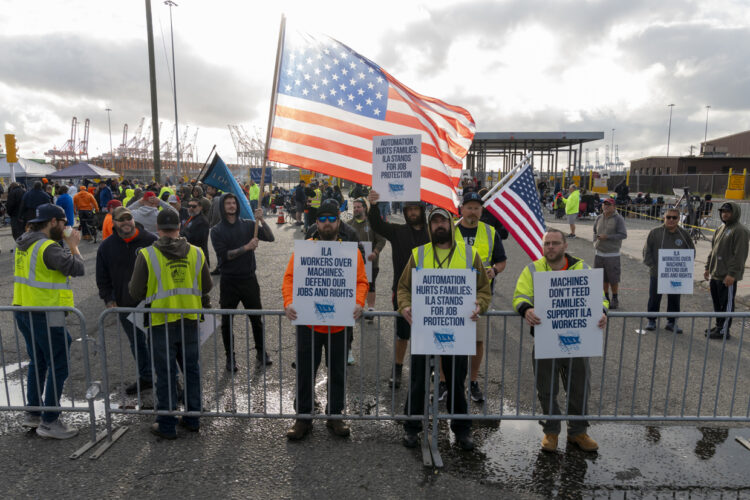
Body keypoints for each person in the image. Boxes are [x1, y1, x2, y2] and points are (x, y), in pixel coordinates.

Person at [397, 207, 491, 451]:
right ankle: (412, 427)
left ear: (450, 224)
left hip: (457, 329)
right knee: (418, 380)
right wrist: (405, 306)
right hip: (424, 328)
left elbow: (483, 289)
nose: (439, 225)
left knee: (457, 381)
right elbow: (403, 288)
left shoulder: (471, 255)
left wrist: (479, 304)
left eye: (443, 221)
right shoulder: (418, 254)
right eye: (435, 221)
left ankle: (461, 430)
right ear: (430, 227)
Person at [513, 228, 607, 453]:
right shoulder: (533, 268)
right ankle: (551, 432)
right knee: (546, 388)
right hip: (546, 340)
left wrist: (602, 311)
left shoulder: (581, 268)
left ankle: (578, 432)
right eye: (547, 244)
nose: (551, 247)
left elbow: (599, 297)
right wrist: (526, 309)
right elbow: (520, 295)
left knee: (579, 388)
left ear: (565, 246)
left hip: (579, 340)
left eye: (555, 243)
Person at [282, 201, 368, 440]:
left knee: (338, 371)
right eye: (323, 220)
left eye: (332, 219)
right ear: (316, 223)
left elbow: (362, 281)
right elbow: (289, 279)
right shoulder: (304, 249)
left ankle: (335, 415)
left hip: (339, 324)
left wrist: (360, 302)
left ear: (338, 223)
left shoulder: (349, 250)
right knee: (305, 371)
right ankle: (303, 417)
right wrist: (288, 302)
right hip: (308, 323)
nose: (327, 223)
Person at [128, 209, 212, 439]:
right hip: (190, 319)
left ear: (158, 229)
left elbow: (135, 292)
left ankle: (166, 423)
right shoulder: (196, 252)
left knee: (165, 373)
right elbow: (207, 286)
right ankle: (193, 418)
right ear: (179, 227)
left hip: (161, 321)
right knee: (191, 370)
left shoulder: (147, 254)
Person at [13, 204, 84, 438]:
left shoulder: (24, 241)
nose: (66, 227)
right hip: (46, 312)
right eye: (64, 223)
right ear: (53, 222)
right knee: (59, 361)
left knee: (39, 361)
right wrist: (74, 246)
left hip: (23, 308)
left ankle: (33, 413)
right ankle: (50, 421)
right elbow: (78, 268)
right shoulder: (47, 246)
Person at [367, 189, 430, 389]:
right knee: (402, 334)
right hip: (403, 291)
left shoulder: (433, 232)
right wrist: (374, 205)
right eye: (409, 209)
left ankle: (431, 369)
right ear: (404, 211)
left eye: (415, 209)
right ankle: (397, 367)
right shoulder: (398, 232)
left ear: (422, 210)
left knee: (428, 333)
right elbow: (377, 224)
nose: (412, 213)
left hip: (430, 291)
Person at [96, 206, 159, 394]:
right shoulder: (106, 247)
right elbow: (102, 277)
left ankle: (172, 382)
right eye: (121, 219)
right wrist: (108, 299)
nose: (126, 222)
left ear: (134, 219)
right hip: (125, 304)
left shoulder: (151, 241)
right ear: (114, 223)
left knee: (159, 344)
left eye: (128, 218)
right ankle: (146, 377)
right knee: (137, 343)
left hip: (153, 303)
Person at [210, 193, 274, 371]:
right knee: (226, 321)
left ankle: (261, 352)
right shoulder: (216, 231)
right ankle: (230, 358)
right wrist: (247, 247)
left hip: (249, 280)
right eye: (228, 203)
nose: (231, 206)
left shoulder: (248, 225)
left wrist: (261, 221)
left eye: (233, 203)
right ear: (222, 207)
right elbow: (225, 255)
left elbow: (270, 237)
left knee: (256, 319)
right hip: (229, 281)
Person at [453, 191, 507, 403]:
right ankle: (445, 382)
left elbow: (501, 261)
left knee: (476, 341)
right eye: (469, 207)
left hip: (480, 296)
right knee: (448, 340)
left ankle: (473, 381)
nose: (473, 211)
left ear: (481, 210)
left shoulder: (490, 231)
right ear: (462, 209)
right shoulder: (451, 230)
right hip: (453, 294)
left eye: (477, 208)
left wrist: (494, 270)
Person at [642, 206, 695, 333]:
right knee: (654, 298)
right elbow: (646, 251)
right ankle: (651, 320)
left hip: (675, 274)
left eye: (674, 217)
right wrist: (653, 266)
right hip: (657, 273)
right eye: (668, 217)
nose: (671, 220)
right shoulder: (655, 232)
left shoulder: (684, 234)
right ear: (664, 217)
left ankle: (671, 322)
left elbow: (691, 251)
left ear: (678, 219)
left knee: (674, 299)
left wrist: (685, 266)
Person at [704, 202, 749, 340]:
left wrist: (732, 274)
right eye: (723, 211)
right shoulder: (721, 228)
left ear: (734, 212)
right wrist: (707, 267)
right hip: (716, 273)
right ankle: (719, 326)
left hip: (727, 276)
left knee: (727, 305)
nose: (725, 213)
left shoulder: (739, 230)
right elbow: (714, 249)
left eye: (728, 211)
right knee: (717, 303)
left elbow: (739, 255)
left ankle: (724, 330)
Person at [592, 198, 627, 309]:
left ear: (614, 207)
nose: (606, 206)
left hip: (612, 254)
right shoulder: (598, 218)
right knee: (602, 278)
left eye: (609, 205)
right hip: (599, 253)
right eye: (604, 204)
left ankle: (615, 298)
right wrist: (595, 242)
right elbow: (594, 231)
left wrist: (607, 237)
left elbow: (623, 235)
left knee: (613, 278)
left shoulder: (618, 219)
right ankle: (605, 297)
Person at [181, 197, 211, 268]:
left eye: (194, 206)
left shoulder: (202, 221)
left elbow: (196, 240)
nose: (191, 208)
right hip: (190, 255)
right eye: (189, 206)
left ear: (200, 208)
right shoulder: (191, 217)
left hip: (198, 257)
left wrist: (181, 236)